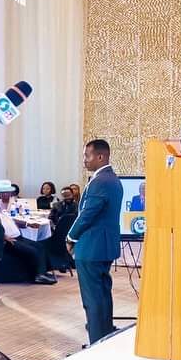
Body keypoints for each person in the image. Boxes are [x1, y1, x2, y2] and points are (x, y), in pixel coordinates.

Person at [66, 140, 124, 346]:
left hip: (92, 248)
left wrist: (71, 236)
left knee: (93, 299)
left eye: (87, 156)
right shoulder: (112, 179)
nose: (84, 161)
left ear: (101, 157)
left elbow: (87, 214)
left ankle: (97, 341)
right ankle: (105, 335)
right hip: (104, 247)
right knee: (102, 295)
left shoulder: (100, 181)